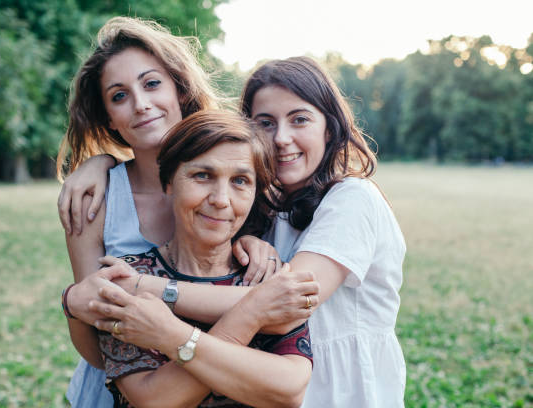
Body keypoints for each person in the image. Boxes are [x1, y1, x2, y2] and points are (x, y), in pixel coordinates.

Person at [61, 56, 407, 406]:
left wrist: (146, 292)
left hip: (341, 389)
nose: (282, 138)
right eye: (266, 123)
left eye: (299, 119)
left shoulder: (353, 198)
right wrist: (99, 162)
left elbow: (287, 303)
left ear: (329, 128)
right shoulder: (268, 206)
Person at [58, 16, 289, 407]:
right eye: (119, 96)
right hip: (129, 387)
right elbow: (97, 324)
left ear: (180, 89)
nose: (141, 104)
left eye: (151, 84)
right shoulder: (94, 198)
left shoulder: (232, 173)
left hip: (226, 381)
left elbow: (274, 312)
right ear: (107, 118)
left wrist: (251, 241)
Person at [66, 110, 315, 407]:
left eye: (240, 181)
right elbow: (154, 399)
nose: (221, 199)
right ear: (168, 182)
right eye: (202, 176)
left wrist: (170, 334)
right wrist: (251, 314)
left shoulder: (267, 278)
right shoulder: (126, 277)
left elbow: (288, 390)